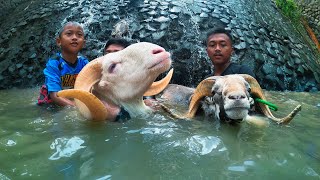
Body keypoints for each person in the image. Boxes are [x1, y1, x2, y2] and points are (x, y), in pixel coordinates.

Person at [37, 21, 89, 106]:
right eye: (69, 34)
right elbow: (55, 95)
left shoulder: (84, 63)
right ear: (58, 41)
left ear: (83, 43)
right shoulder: (54, 64)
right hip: (50, 104)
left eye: (79, 35)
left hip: (72, 99)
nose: (75, 38)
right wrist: (76, 107)